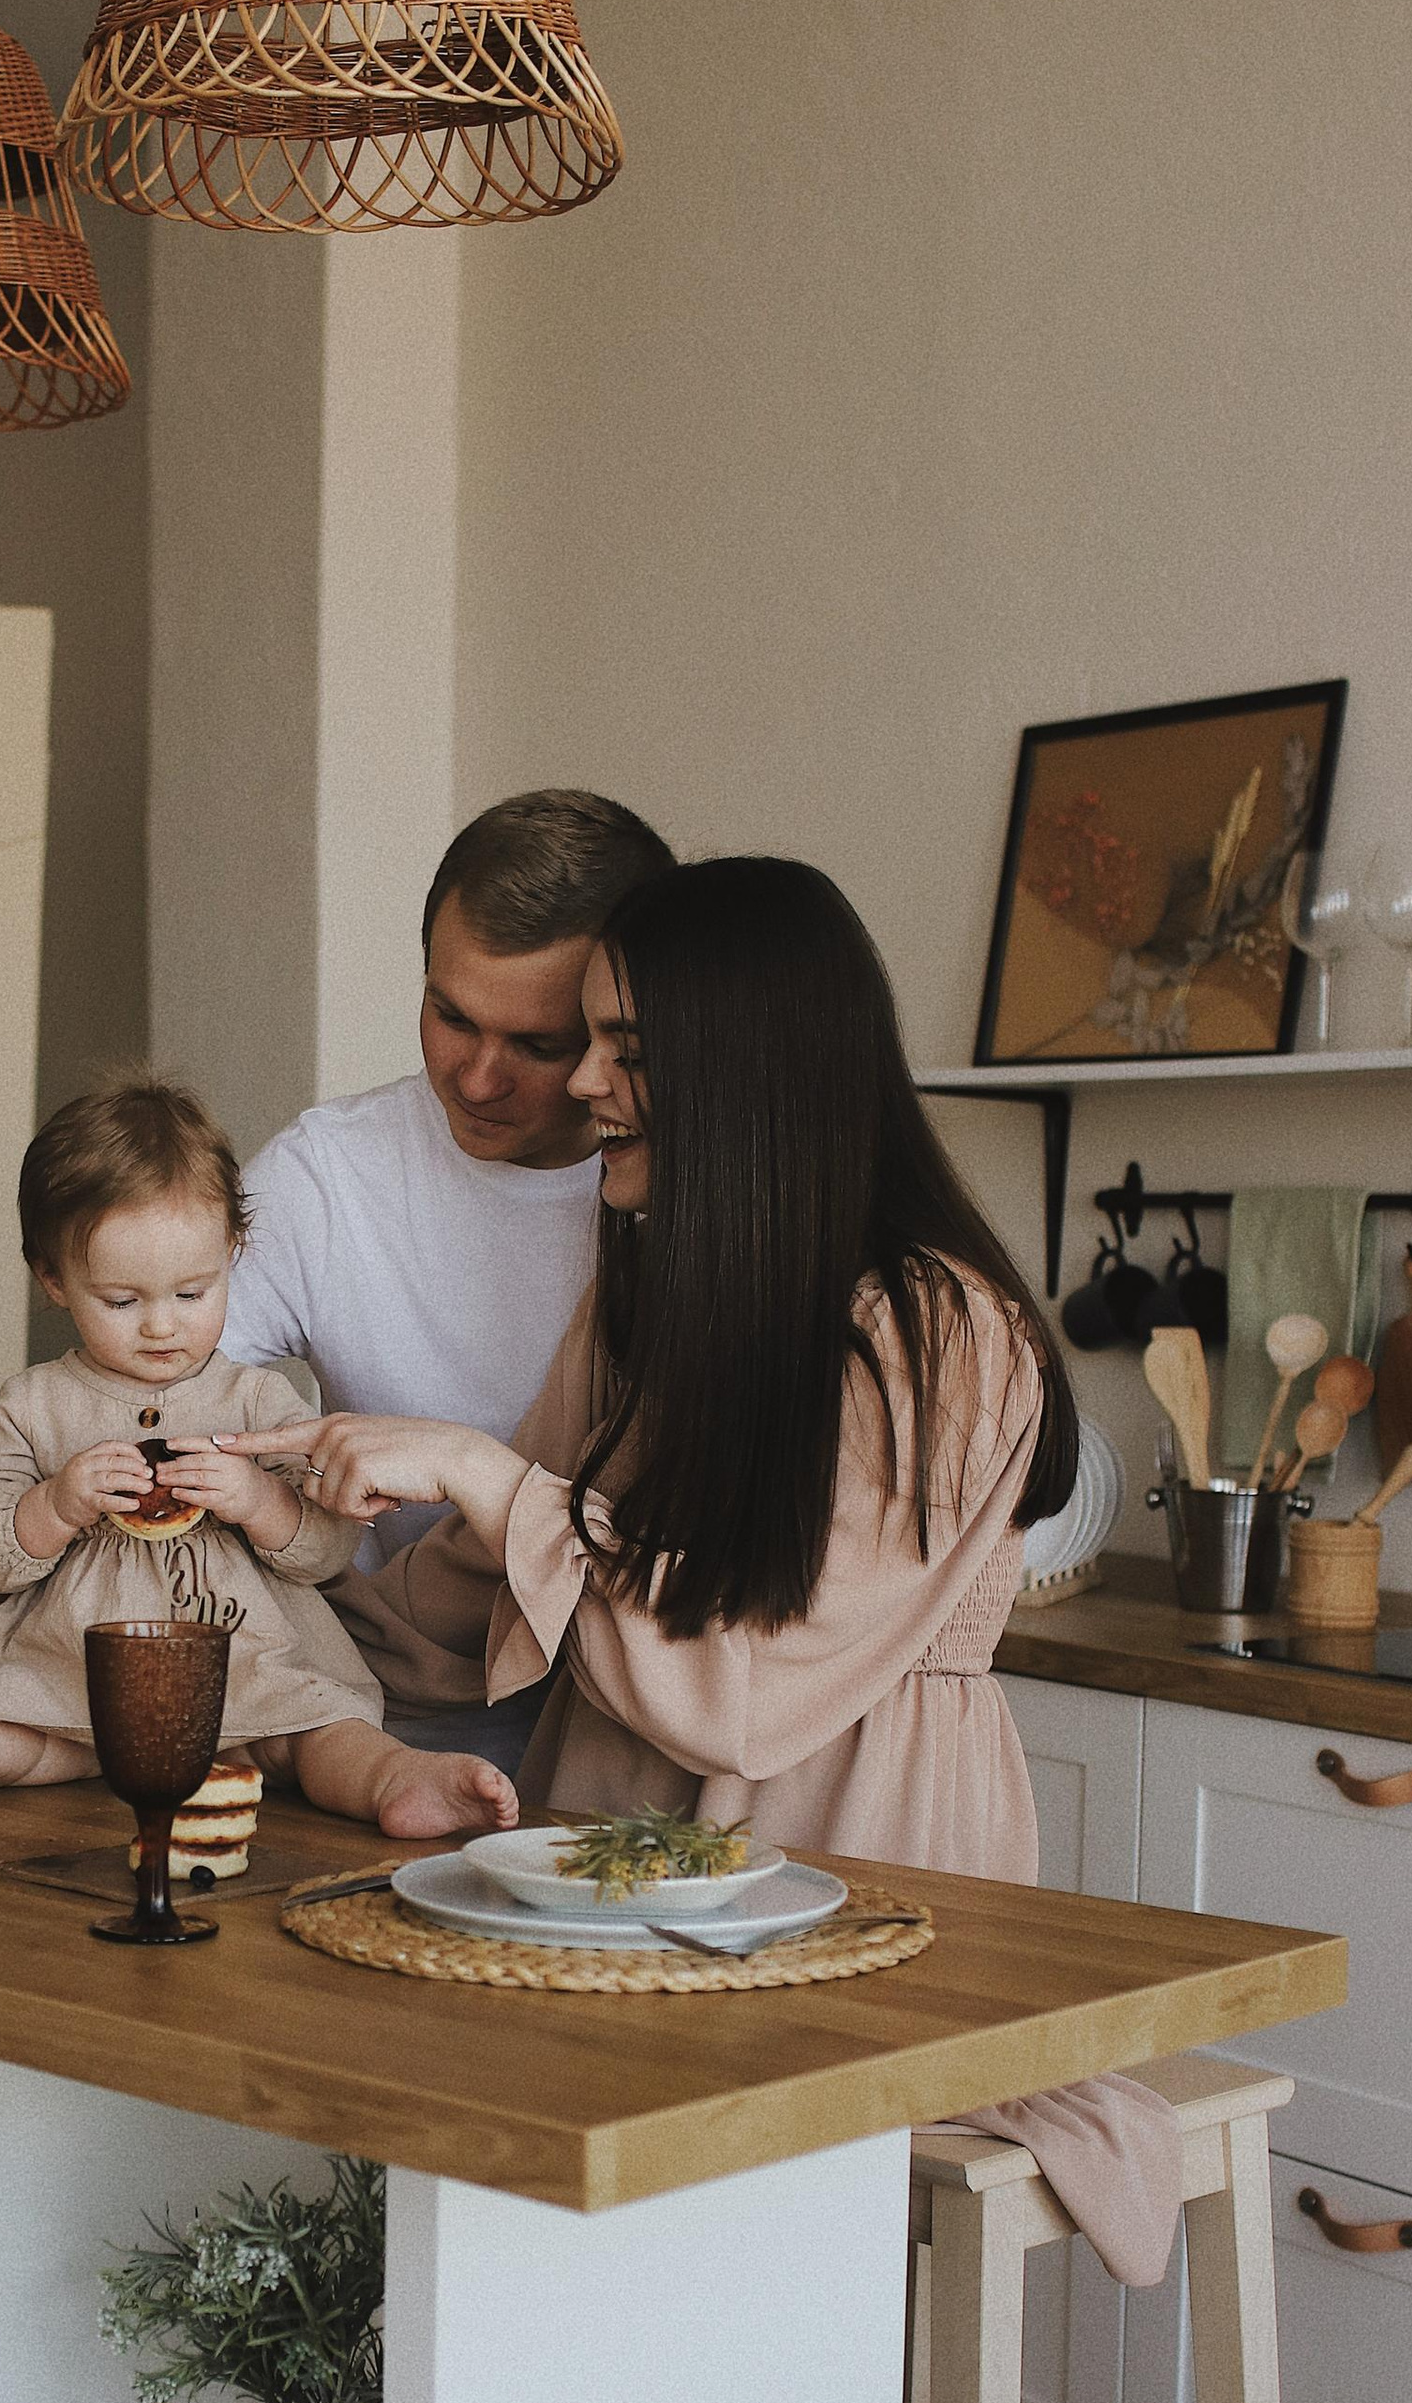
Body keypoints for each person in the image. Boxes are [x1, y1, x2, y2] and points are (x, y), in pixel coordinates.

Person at [237, 856, 1181, 2282]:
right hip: (611, 1875)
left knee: (720, 2307)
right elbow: (470, 1600)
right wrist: (239, 1660)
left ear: (744, 1067)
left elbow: (745, 1694)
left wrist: (488, 1477)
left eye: (625, 1049)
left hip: (859, 1879)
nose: (585, 1090)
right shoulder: (662, 1284)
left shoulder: (945, 1338)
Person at [0, 789, 673, 1769]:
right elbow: (116, 1422)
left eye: (537, 1045)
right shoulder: (330, 1176)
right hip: (360, 1727)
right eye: (450, 1016)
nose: (478, 1077)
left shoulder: (686, 1205)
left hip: (618, 1732)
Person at [0, 1079, 515, 1842]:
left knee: (327, 1737)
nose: (162, 1327)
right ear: (54, 1280)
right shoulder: (31, 1406)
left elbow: (324, 1550)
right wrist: (55, 1505)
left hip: (249, 1679)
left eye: (193, 1293)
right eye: (123, 1302)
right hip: (66, 1683)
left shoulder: (258, 1403)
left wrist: (253, 1499)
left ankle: (402, 1783)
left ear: (234, 1252)